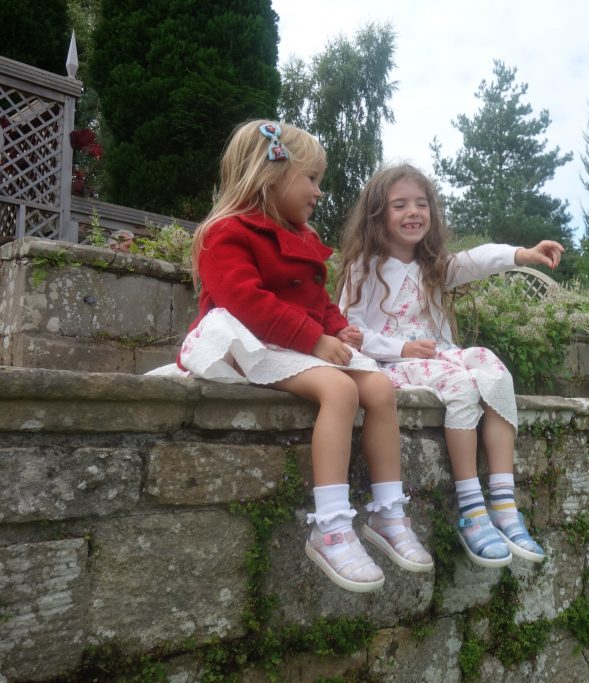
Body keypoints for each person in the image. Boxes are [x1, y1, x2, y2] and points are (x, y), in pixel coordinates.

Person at [166, 121, 432, 592]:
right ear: (270, 176)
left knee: (380, 387)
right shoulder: (225, 233)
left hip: (296, 341)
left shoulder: (302, 237)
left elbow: (319, 301)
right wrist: (313, 339)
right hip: (249, 341)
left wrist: (334, 328)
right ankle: (329, 524)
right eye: (310, 179)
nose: (319, 191)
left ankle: (388, 513)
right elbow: (247, 302)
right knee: (340, 388)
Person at [339, 163, 564, 567]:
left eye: (421, 204)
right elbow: (348, 330)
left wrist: (522, 255)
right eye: (400, 205)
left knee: (493, 369)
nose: (413, 212)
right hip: (393, 363)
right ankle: (471, 509)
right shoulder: (365, 267)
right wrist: (402, 346)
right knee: (460, 384)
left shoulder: (433, 266)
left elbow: (477, 260)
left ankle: (503, 501)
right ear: (377, 214)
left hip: (438, 354)